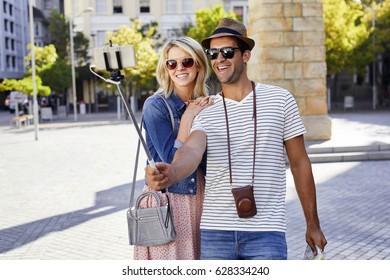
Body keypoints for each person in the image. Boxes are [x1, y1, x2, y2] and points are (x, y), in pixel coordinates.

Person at [145, 18, 327, 260]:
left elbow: (300, 163)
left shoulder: (280, 100)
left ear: (246, 55)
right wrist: (170, 172)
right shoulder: (205, 109)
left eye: (228, 52)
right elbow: (190, 153)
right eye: (214, 53)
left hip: (266, 232)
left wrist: (312, 223)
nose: (220, 59)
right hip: (214, 234)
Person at [133, 36, 211, 260]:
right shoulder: (155, 105)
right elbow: (171, 162)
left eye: (186, 61)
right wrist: (187, 117)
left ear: (198, 64)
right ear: (165, 69)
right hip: (167, 201)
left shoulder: (208, 103)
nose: (179, 68)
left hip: (201, 199)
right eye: (172, 63)